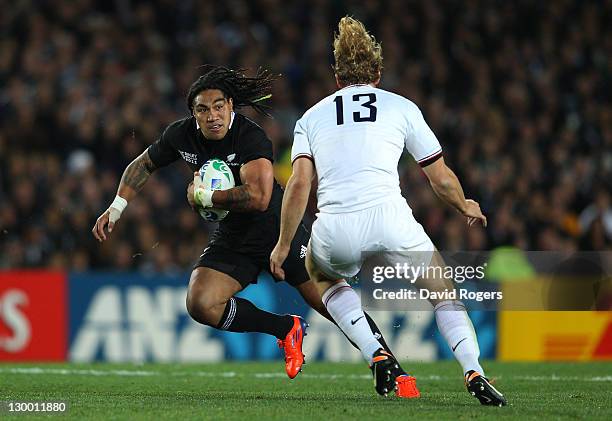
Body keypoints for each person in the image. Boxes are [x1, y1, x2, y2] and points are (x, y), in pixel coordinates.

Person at [92, 65, 406, 387]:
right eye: (202, 109)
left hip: (279, 229)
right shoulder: (180, 135)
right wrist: (116, 208)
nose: (212, 115)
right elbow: (143, 163)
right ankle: (285, 329)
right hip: (235, 235)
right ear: (193, 113)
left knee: (332, 304)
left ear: (230, 105)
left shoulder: (250, 136)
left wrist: (208, 196)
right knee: (200, 302)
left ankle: (394, 369)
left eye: (218, 106)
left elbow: (258, 197)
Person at [270, 17, 507, 406]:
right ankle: (473, 369)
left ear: (336, 76)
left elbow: (298, 185)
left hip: (336, 225)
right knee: (443, 292)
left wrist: (283, 245)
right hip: (390, 218)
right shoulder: (402, 107)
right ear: (378, 72)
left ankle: (374, 351)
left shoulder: (311, 117)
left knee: (323, 276)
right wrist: (464, 204)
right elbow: (440, 176)